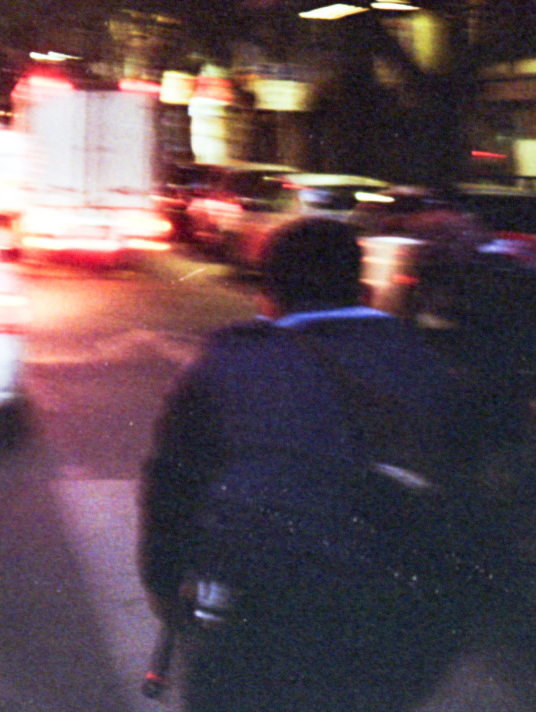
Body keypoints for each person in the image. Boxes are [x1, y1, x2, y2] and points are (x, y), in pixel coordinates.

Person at [139, 216, 475, 712]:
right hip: (387, 616)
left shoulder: (227, 359)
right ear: (363, 290)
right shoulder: (426, 362)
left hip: (256, 612)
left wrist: (163, 585)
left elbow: (171, 484)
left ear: (266, 296)